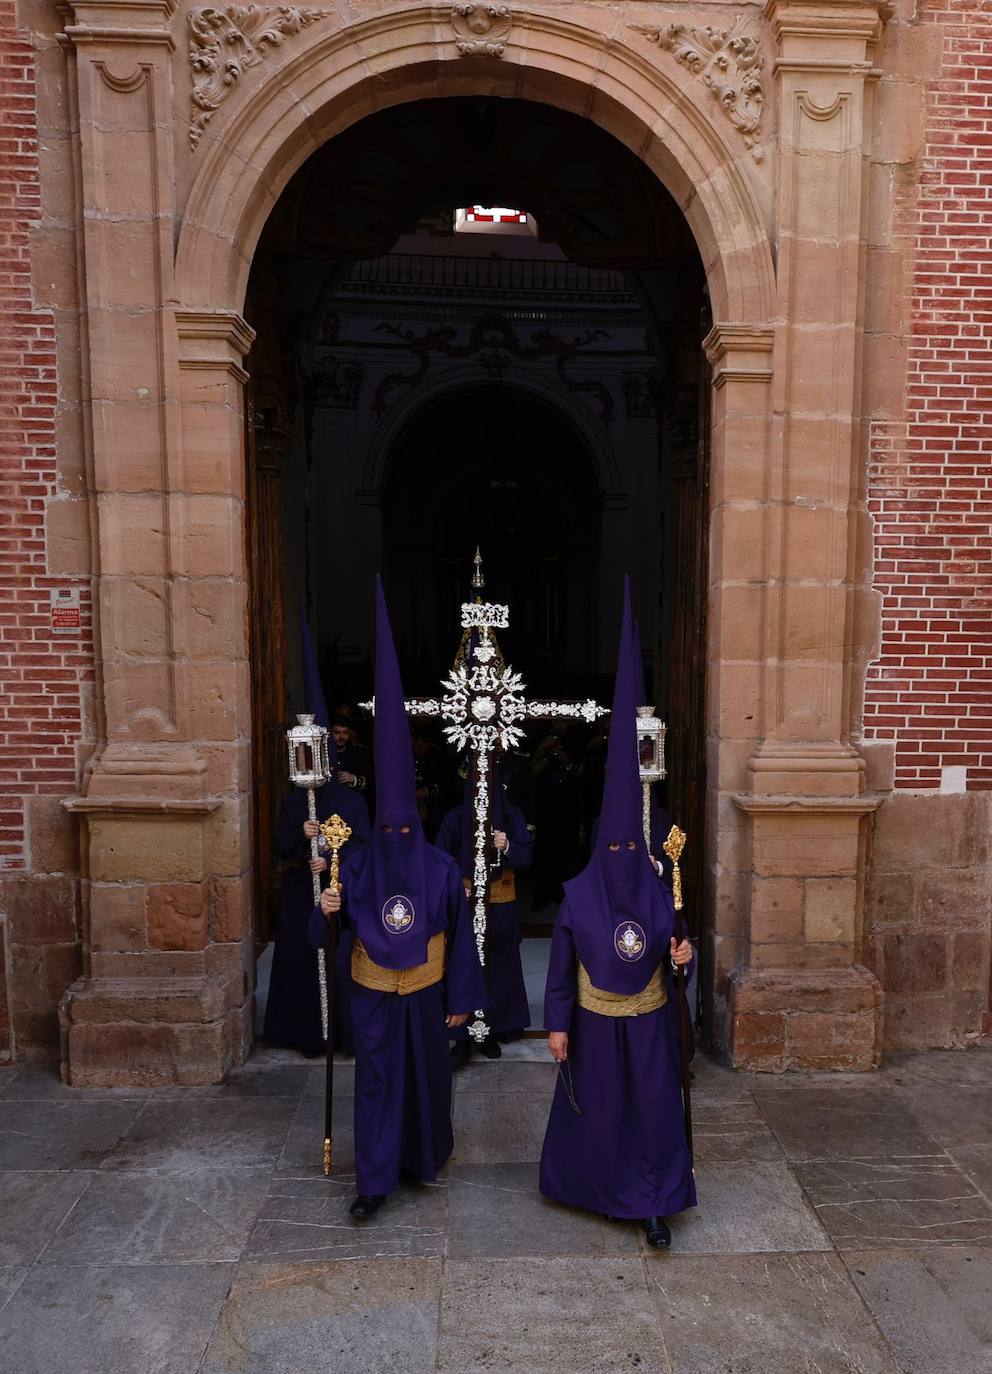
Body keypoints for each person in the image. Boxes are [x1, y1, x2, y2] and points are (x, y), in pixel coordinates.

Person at [312, 578, 486, 1220]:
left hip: (427, 992)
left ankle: (423, 1160)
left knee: (429, 1081)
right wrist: (326, 913)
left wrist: (463, 1002)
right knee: (380, 1085)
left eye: (404, 829)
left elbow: (460, 932)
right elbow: (321, 932)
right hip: (374, 995)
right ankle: (374, 1181)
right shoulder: (355, 866)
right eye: (389, 830)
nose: (397, 839)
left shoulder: (440, 868)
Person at [539, 579, 695, 1249]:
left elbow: (674, 947)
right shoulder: (577, 894)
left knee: (656, 1109)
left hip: (650, 1018)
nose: (627, 855)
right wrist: (555, 1028)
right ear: (602, 846)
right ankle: (599, 1191)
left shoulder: (661, 888)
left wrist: (683, 960)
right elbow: (557, 969)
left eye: (636, 846)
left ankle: (655, 1202)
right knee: (601, 1115)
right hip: (596, 1025)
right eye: (618, 847)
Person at [435, 767, 534, 1065]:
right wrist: (456, 885)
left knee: (498, 965)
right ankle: (463, 1037)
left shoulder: (512, 816)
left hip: (501, 903)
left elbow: (526, 857)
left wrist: (507, 845)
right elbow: (440, 857)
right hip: (466, 904)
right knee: (464, 965)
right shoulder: (454, 818)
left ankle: (492, 1029)